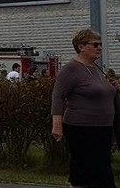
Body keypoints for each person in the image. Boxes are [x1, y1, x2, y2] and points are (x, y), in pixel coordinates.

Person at [51, 29, 118, 188]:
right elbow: (58, 95)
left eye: (101, 44)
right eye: (95, 44)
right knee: (91, 173)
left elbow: (103, 93)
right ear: (81, 46)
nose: (99, 48)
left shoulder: (96, 69)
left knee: (98, 170)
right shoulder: (71, 69)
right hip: (81, 127)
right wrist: (57, 124)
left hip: (103, 128)